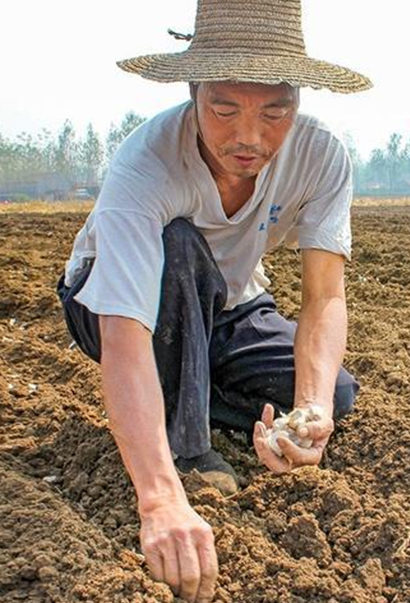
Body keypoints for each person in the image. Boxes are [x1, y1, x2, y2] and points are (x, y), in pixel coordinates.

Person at [56, 1, 371, 602]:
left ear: (298, 99)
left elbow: (325, 295)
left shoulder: (321, 155)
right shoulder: (146, 165)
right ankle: (185, 444)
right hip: (117, 299)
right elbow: (125, 333)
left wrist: (309, 410)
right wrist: (159, 498)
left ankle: (192, 384)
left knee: (334, 391)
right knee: (179, 244)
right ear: (193, 93)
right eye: (224, 109)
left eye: (275, 111)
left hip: (228, 299)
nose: (249, 137)